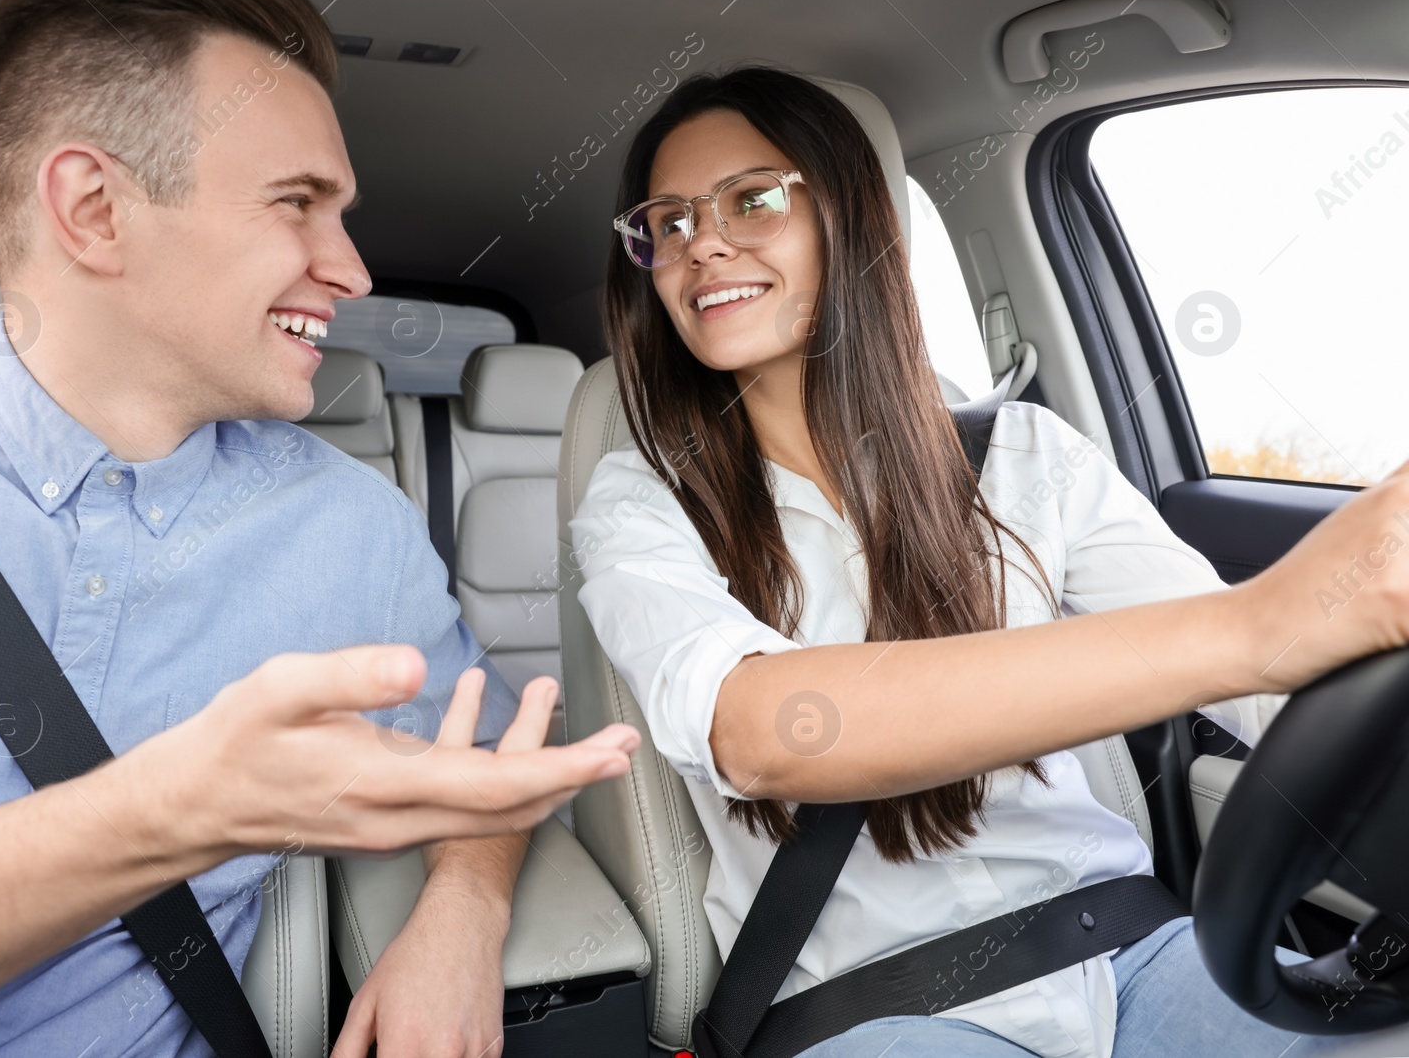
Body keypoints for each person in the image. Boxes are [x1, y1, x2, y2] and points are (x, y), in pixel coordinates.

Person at [0, 0, 641, 1055]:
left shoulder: (353, 530)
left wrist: (462, 916)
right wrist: (181, 809)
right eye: (296, 202)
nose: (352, 271)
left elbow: (482, 759)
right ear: (95, 208)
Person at [571, 65, 1409, 1058]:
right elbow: (760, 731)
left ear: (850, 220)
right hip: (883, 1011)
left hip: (1135, 954)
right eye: (666, 222)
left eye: (752, 198)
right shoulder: (639, 502)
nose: (700, 241)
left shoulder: (1024, 454)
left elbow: (1266, 701)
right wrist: (1257, 626)